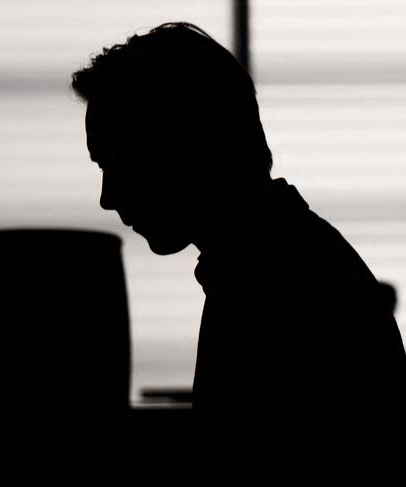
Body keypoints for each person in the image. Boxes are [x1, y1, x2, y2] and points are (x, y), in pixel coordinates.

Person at [71, 22, 406, 456]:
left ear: (183, 147)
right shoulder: (281, 260)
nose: (107, 198)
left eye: (119, 163)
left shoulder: (278, 289)